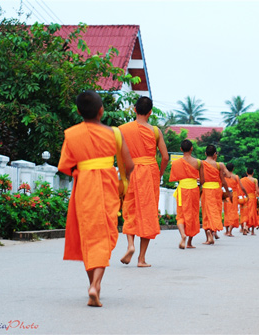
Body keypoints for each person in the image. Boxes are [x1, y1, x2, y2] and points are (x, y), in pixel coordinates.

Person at [58, 90, 134, 307]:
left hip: (83, 188)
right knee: (105, 235)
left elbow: (65, 165)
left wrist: (83, 168)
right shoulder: (114, 133)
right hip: (107, 186)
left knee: (89, 235)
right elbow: (129, 165)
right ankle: (95, 285)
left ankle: (94, 285)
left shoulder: (72, 134)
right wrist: (123, 181)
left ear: (79, 111)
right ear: (102, 111)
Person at [119, 96, 169, 267]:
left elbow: (120, 155)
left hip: (132, 170)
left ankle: (130, 245)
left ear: (134, 109)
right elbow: (166, 157)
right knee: (147, 213)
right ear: (150, 112)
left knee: (130, 209)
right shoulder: (155, 131)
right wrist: (160, 174)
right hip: (150, 172)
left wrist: (123, 175)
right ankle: (141, 259)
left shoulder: (123, 129)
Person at [169, 139, 204, 249]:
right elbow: (202, 180)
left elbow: (174, 178)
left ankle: (183, 235)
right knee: (192, 215)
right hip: (193, 189)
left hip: (182, 190)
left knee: (181, 214)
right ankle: (189, 242)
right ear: (192, 148)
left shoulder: (175, 163)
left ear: (181, 149)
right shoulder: (198, 162)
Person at [201, 145, 230, 244]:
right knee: (215, 211)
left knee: (206, 211)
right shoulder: (219, 165)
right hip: (217, 190)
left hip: (206, 189)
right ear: (215, 154)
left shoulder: (201, 163)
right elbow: (226, 179)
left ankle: (208, 235)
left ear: (205, 153)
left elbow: (200, 179)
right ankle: (212, 231)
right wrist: (228, 192)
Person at [223, 163, 248, 237]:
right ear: (233, 169)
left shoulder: (224, 176)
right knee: (233, 212)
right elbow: (242, 187)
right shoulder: (235, 177)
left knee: (227, 212)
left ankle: (227, 230)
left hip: (226, 194)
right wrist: (246, 194)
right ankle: (230, 231)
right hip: (233, 196)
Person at [240, 168, 259, 235]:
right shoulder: (255, 180)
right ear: (253, 173)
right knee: (252, 213)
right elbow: (257, 190)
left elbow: (240, 189)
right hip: (252, 198)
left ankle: (244, 226)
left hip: (245, 198)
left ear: (246, 173)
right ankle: (252, 232)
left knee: (245, 213)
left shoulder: (242, 180)